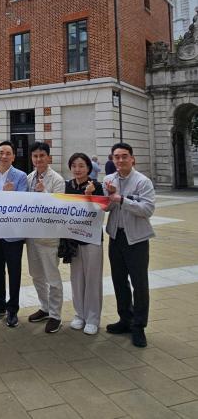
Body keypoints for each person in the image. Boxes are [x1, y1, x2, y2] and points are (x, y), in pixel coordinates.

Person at [103, 142, 155, 348]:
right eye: (116, 157)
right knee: (119, 280)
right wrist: (108, 197)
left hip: (137, 239)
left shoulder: (142, 181)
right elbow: (106, 208)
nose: (120, 160)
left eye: (124, 156)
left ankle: (139, 326)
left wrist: (122, 199)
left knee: (139, 284)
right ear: (112, 159)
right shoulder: (108, 179)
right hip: (116, 237)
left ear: (132, 159)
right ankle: (125, 319)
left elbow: (147, 209)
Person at [0, 140, 27, 328]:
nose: (4, 156)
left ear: (13, 156)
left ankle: (13, 309)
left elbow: (22, 203)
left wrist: (10, 195)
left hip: (13, 233)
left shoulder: (21, 176)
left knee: (14, 272)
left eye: (8, 153)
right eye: (1, 152)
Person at [26, 141, 65, 333]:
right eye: (35, 156)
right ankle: (45, 307)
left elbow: (59, 207)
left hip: (49, 236)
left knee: (52, 277)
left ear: (49, 157)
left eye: (42, 156)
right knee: (36, 275)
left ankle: (56, 315)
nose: (38, 159)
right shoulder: (29, 177)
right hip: (32, 236)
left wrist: (45, 192)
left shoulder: (57, 179)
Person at [64, 153, 104, 335]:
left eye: (81, 165)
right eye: (74, 166)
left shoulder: (96, 186)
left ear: (88, 168)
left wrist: (89, 196)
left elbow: (99, 212)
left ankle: (93, 318)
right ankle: (79, 314)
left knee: (92, 279)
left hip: (92, 239)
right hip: (73, 239)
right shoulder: (67, 186)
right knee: (77, 278)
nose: (77, 169)